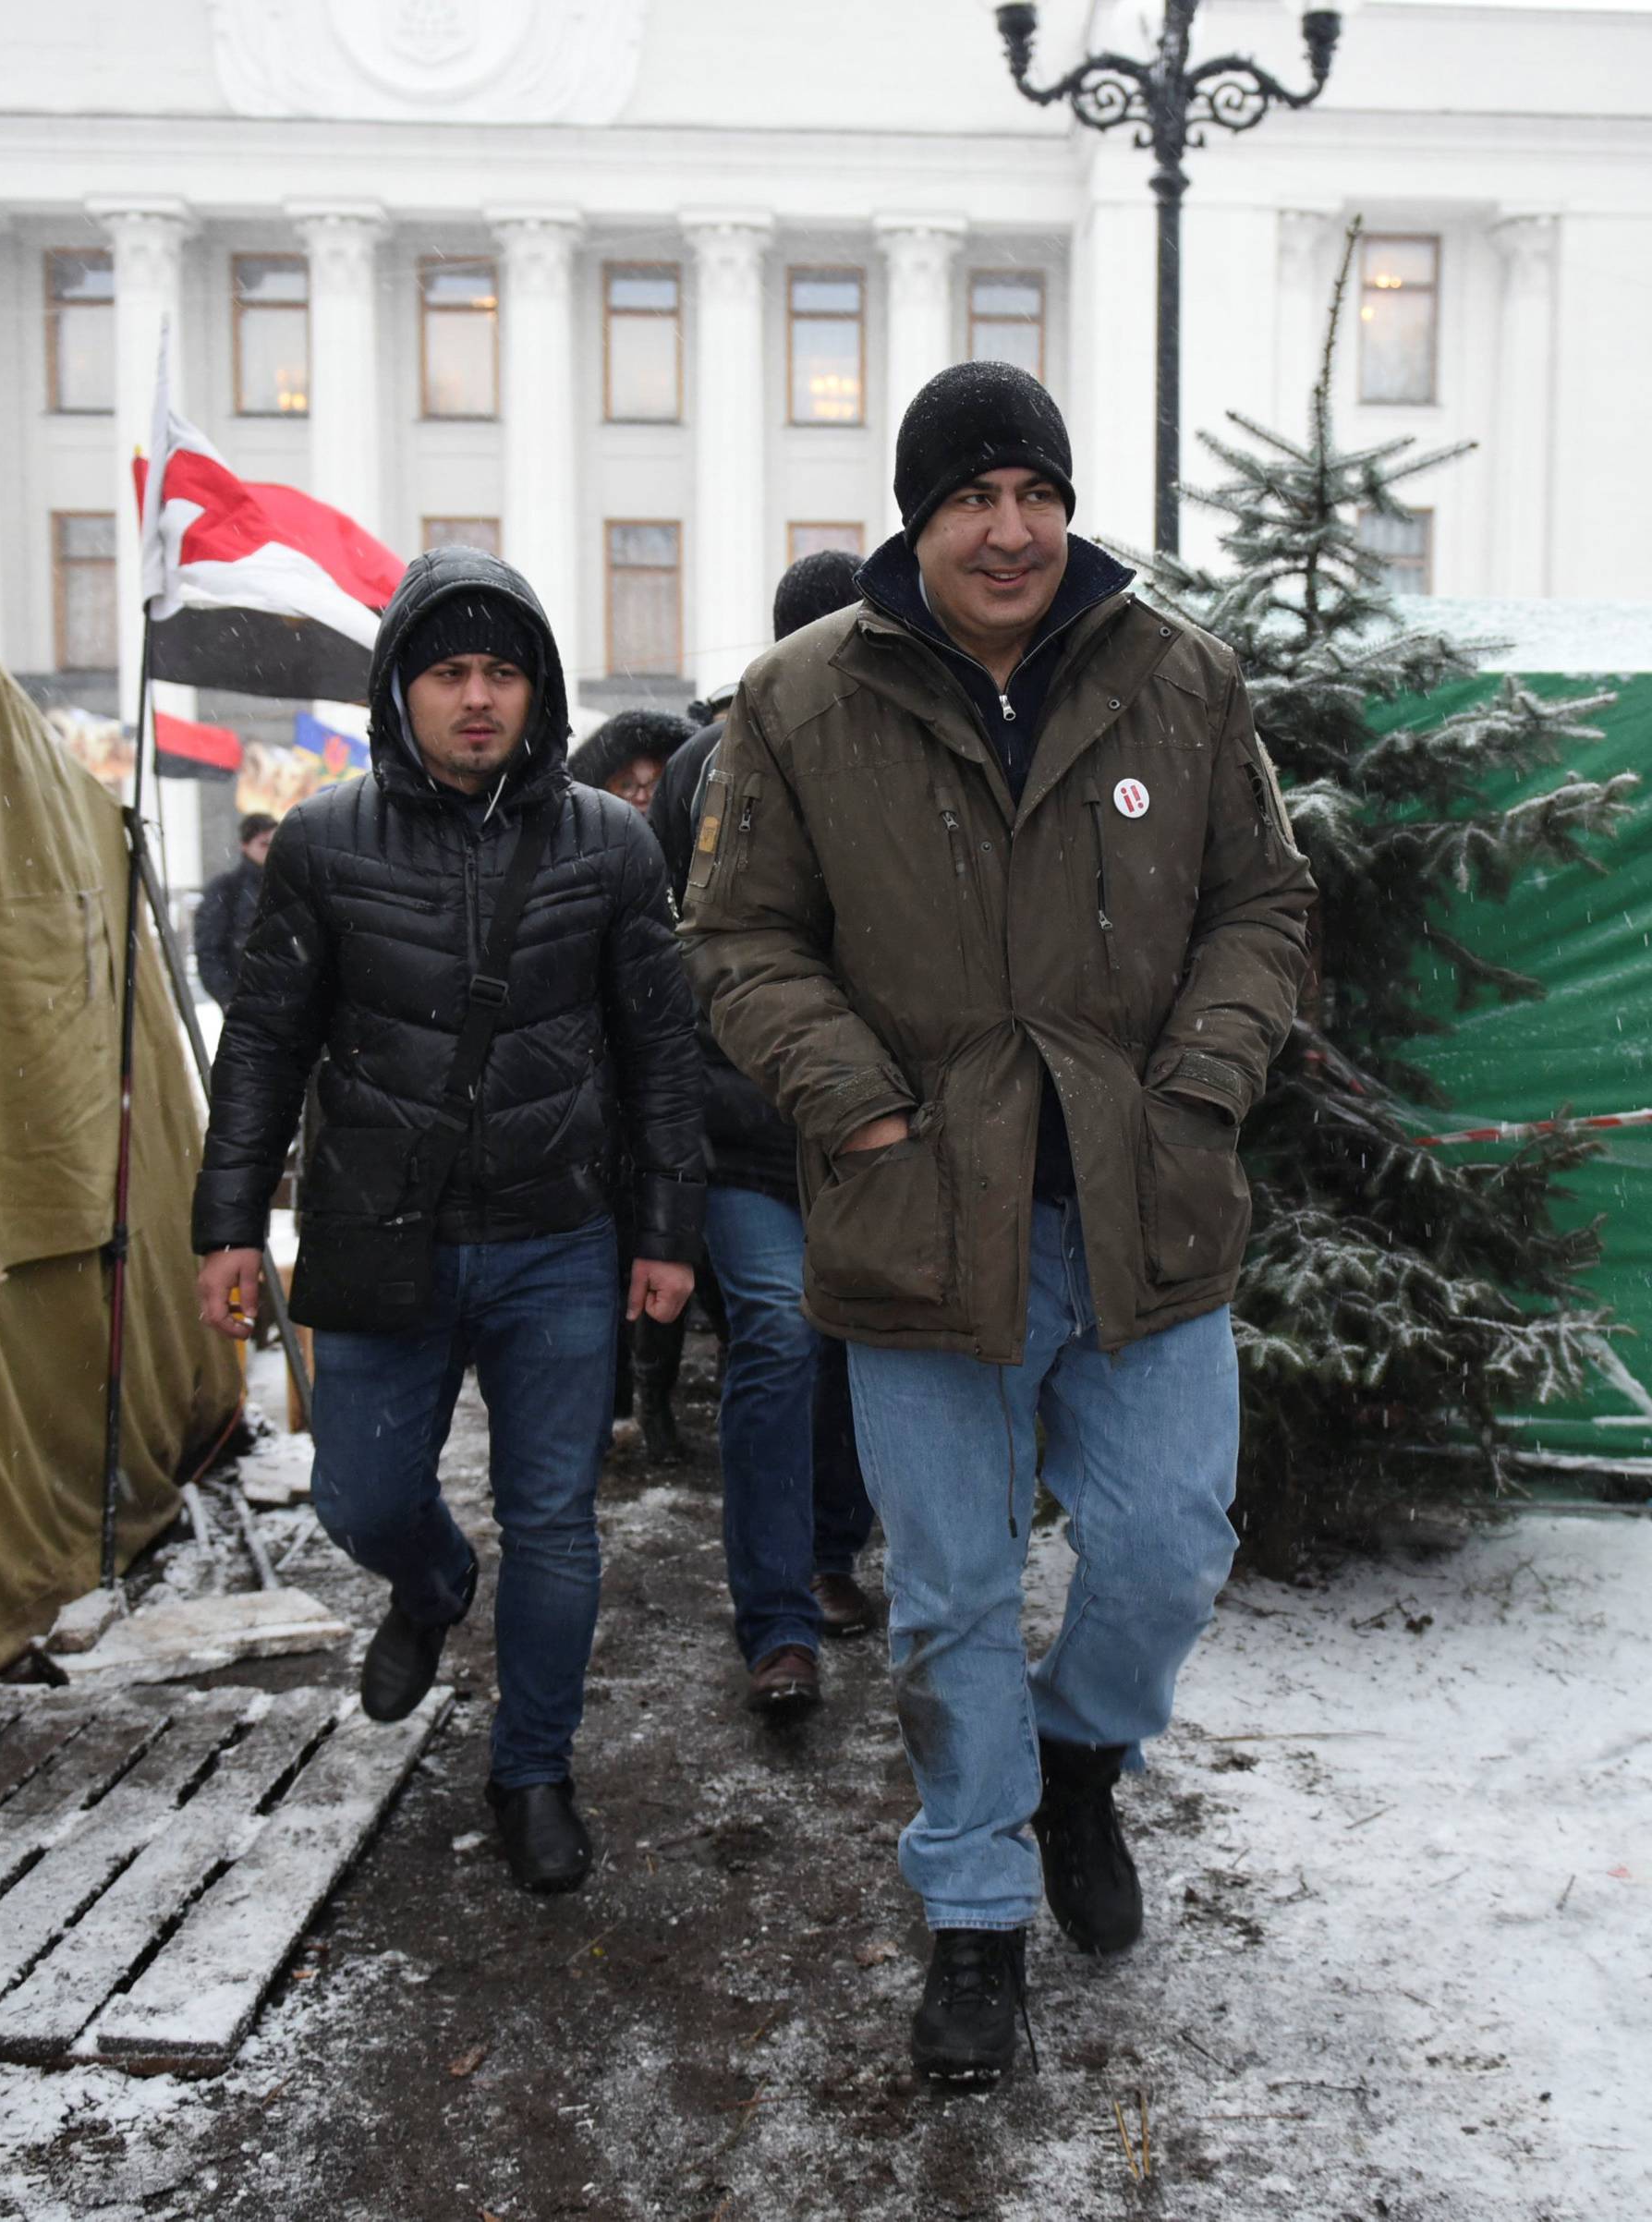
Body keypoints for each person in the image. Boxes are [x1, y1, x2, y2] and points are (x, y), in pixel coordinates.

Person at [682, 361, 1314, 2078]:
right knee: (955, 1592)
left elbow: (1262, 901)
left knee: (1172, 1543)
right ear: (918, 519)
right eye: (973, 496)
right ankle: (972, 1915)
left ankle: (1082, 1760)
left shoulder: (1177, 680)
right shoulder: (803, 702)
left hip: (1144, 1204)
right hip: (918, 1217)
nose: (1011, 527)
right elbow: (738, 938)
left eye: (1037, 490)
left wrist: (1197, 1081)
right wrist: (859, 1102)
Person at [194, 546, 704, 1896]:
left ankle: (533, 1766)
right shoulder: (320, 843)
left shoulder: (610, 843)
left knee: (556, 1520)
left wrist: (666, 1231)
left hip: (556, 1240)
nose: (478, 699)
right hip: (379, 1232)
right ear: (401, 688)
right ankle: (427, 1587)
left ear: (537, 689)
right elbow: (261, 1045)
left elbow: (662, 1049)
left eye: (503, 672)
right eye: (449, 672)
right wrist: (228, 1219)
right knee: (361, 1497)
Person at [650, 551, 880, 1716]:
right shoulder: (708, 769)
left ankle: (834, 1552)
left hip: (868, 1128)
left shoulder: (898, 752)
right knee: (785, 1341)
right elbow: (670, 964)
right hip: (742, 1132)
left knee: (854, 1343)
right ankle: (778, 1618)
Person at [566, 709, 699, 1463]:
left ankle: (654, 1396)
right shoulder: (590, 857)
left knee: (669, 1250)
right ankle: (613, 1398)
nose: (643, 796)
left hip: (671, 1095)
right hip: (597, 1100)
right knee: (612, 1262)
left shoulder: (695, 859)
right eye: (627, 782)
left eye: (654, 781)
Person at [193, 812, 275, 1007]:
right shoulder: (227, 889)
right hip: (249, 1001)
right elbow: (209, 950)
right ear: (245, 845)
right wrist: (231, 999)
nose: (271, 850)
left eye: (277, 843)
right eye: (264, 844)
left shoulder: (292, 886)